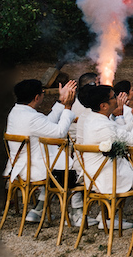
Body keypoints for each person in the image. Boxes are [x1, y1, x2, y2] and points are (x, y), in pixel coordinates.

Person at [5, 78, 79, 225]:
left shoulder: (15, 112)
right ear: (37, 97)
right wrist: (68, 107)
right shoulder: (32, 117)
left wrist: (60, 102)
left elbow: (44, 124)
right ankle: (77, 213)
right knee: (77, 169)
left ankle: (38, 210)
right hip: (34, 168)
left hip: (19, 166)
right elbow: (59, 132)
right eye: (42, 92)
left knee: (61, 166)